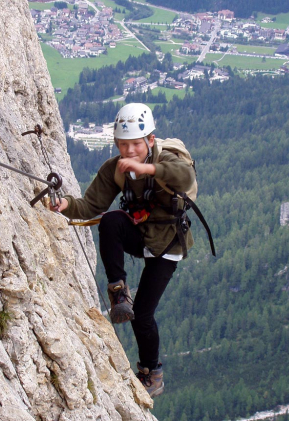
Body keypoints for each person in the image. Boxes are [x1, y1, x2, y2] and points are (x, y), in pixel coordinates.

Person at [50, 103, 195, 397]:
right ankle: (118, 292)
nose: (129, 151)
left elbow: (184, 177)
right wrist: (65, 205)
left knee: (143, 315)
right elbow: (91, 206)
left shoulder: (167, 160)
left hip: (168, 244)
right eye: (123, 144)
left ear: (150, 141)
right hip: (142, 234)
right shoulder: (115, 169)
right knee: (112, 221)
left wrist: (148, 168)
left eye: (136, 144)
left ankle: (151, 373)